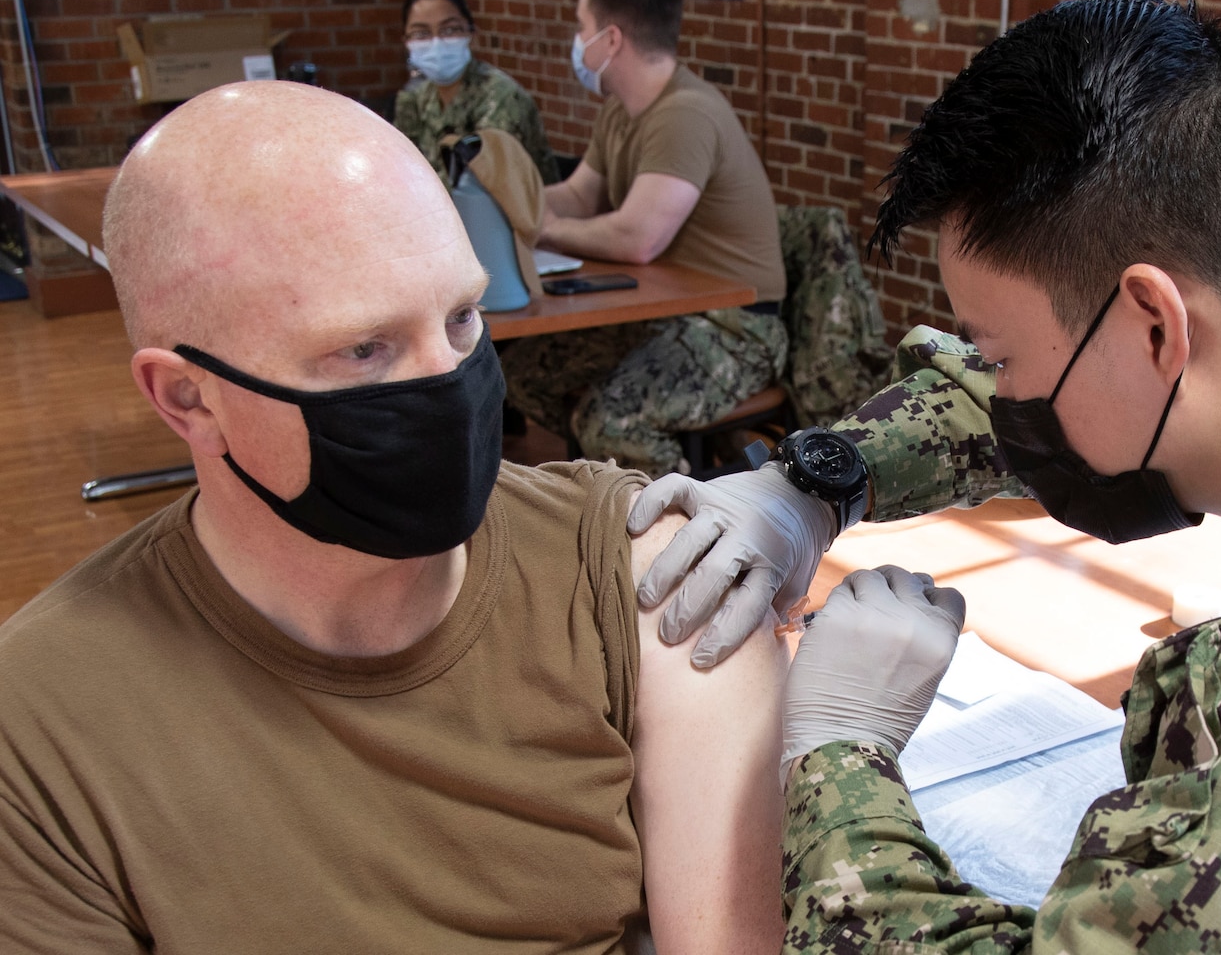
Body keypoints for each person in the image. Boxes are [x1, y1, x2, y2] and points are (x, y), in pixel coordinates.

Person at [0, 81, 788, 953]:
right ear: (189, 396)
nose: (447, 384)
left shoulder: (645, 572)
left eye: (461, 318)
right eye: (365, 349)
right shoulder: (41, 728)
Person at [630, 0, 1221, 949]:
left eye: (1002, 356)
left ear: (1155, 324)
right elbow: (1014, 399)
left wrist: (837, 756)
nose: (998, 390)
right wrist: (817, 482)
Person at [500, 0, 788, 477]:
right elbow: (580, 195)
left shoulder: (685, 114)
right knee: (522, 376)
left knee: (611, 420)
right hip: (668, 311)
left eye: (581, 25)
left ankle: (678, 532)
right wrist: (508, 206)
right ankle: (606, 490)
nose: (576, 39)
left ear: (610, 39)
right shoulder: (622, 110)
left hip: (736, 328)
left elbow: (639, 238)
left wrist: (542, 229)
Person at [393, 0, 560, 185]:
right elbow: (399, 171)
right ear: (406, 42)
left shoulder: (500, 96)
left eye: (450, 29)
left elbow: (477, 186)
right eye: (421, 33)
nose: (436, 42)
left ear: (471, 34)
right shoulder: (414, 98)